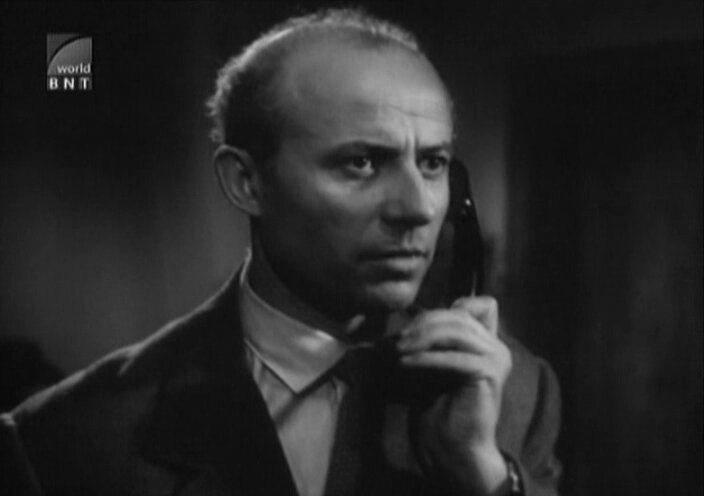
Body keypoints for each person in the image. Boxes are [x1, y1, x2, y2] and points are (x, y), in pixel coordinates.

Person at [0, 8, 561, 496]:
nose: (418, 208)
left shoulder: (513, 392)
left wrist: (486, 478)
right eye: (361, 162)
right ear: (246, 182)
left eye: (433, 163)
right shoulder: (67, 437)